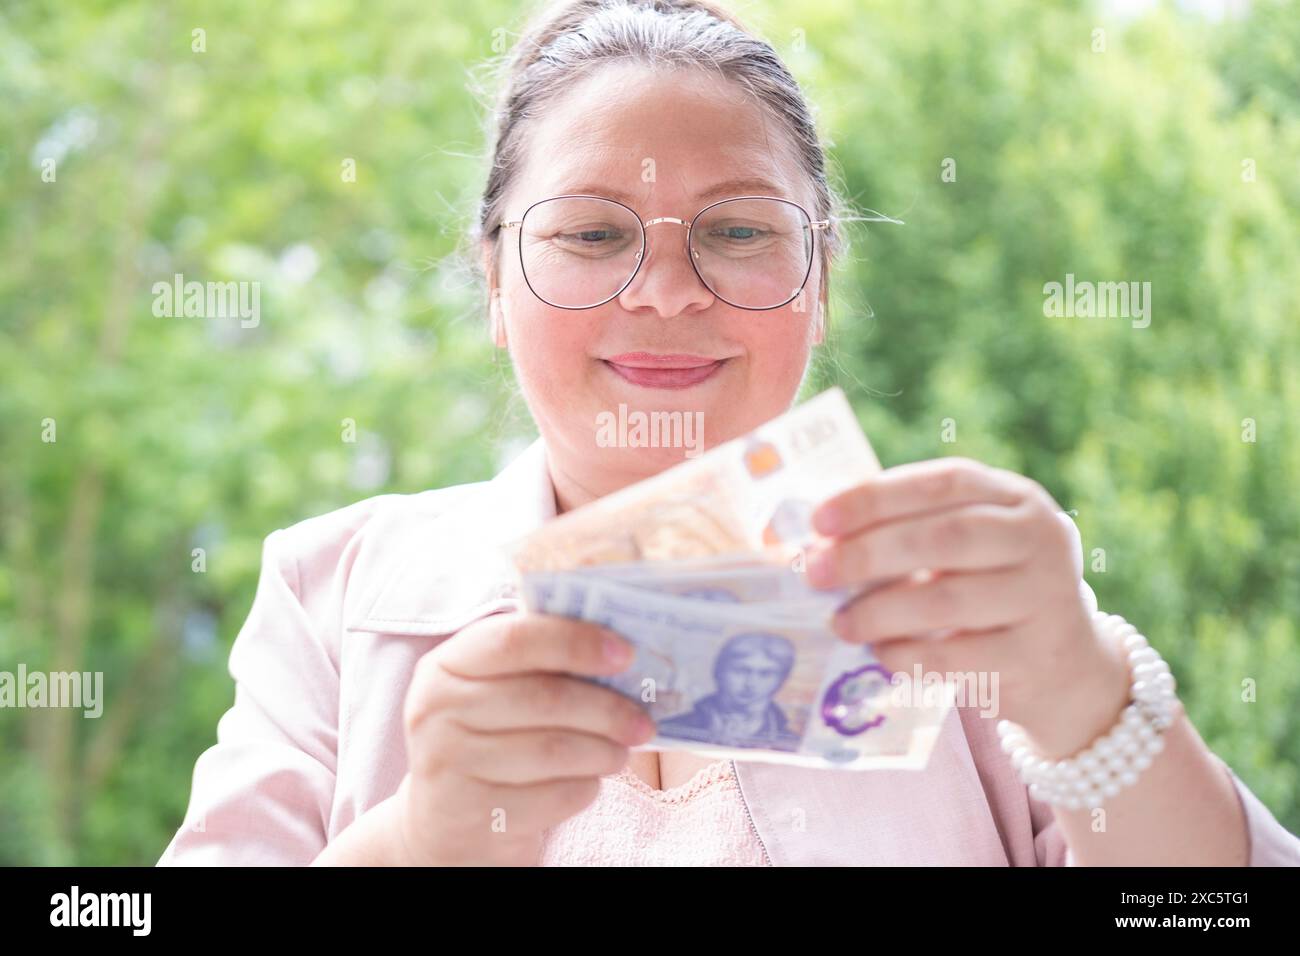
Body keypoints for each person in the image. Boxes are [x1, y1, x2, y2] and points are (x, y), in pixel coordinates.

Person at [158, 0, 1300, 866]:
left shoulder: (976, 591)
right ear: (495, 284)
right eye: (595, 233)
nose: (663, 288)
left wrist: (1087, 695)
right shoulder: (329, 594)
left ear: (820, 284)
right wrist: (420, 837)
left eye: (739, 229)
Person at [659, 633, 803, 752]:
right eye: (741, 670)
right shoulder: (668, 728)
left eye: (765, 674)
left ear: (781, 679)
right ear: (719, 671)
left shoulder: (794, 742)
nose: (751, 683)